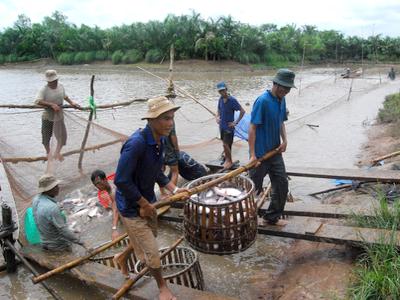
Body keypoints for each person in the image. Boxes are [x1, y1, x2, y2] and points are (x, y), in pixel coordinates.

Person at [114, 96, 187, 300]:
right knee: (152, 252)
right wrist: (143, 204)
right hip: (131, 206)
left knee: (147, 238)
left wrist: (174, 189)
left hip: (146, 201)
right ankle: (162, 288)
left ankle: (121, 257)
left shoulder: (160, 141)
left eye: (172, 118)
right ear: (151, 120)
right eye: (165, 118)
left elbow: (156, 172)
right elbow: (120, 180)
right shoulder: (136, 144)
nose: (170, 123)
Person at [248, 69, 295, 225]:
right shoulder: (262, 101)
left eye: (289, 89)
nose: (287, 91)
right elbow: (252, 128)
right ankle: (246, 219)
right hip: (260, 155)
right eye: (285, 88)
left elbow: (281, 122)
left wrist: (285, 140)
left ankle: (271, 217)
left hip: (275, 152)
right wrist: (253, 155)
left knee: (282, 183)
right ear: (276, 84)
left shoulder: (282, 100)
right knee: (254, 189)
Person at [32, 174, 87, 251]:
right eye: (56, 186)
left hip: (44, 242)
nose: (58, 188)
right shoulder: (52, 208)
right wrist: (82, 243)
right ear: (49, 189)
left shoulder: (36, 200)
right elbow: (64, 231)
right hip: (58, 246)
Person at [35, 70, 81, 161]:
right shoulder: (44, 89)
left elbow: (65, 96)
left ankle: (57, 152)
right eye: (50, 81)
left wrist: (72, 103)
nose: (52, 82)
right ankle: (48, 153)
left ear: (57, 79)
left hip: (59, 115)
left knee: (62, 137)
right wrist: (51, 104)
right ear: (48, 81)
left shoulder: (61, 87)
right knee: (46, 138)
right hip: (47, 117)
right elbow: (38, 101)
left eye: (54, 80)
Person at [216, 81, 245, 169]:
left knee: (226, 144)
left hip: (229, 127)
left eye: (223, 90)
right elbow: (218, 110)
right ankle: (227, 159)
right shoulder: (220, 99)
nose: (222, 92)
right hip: (222, 126)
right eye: (220, 91)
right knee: (225, 144)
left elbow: (242, 111)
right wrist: (217, 117)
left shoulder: (232, 100)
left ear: (226, 89)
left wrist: (235, 122)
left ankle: (230, 161)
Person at [90, 170, 120, 241]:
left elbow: (116, 210)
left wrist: (114, 228)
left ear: (105, 179)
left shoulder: (113, 190)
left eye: (98, 183)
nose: (98, 186)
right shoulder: (109, 187)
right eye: (95, 185)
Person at [160, 122, 180, 197]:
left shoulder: (154, 121)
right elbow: (173, 136)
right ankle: (172, 193)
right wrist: (177, 149)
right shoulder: (169, 121)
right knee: (175, 171)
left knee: (160, 172)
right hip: (169, 150)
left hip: (159, 149)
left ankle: (163, 193)